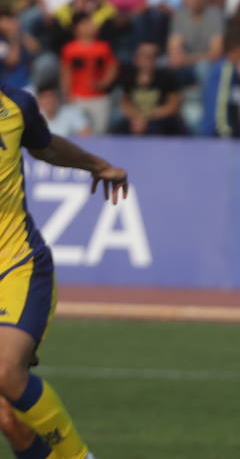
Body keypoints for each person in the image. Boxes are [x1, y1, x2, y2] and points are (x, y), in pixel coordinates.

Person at [0, 81, 126, 457]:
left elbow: (47, 146)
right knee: (10, 423)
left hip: (15, 264)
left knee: (5, 370)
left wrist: (98, 165)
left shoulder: (15, 105)